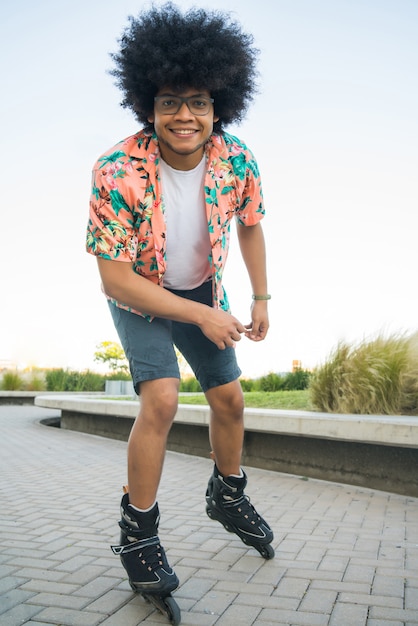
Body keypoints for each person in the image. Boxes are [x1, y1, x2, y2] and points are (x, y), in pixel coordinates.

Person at [86, 2, 274, 599]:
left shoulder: (237, 158)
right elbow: (115, 280)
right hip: (141, 291)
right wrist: (200, 314)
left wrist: (260, 296)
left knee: (231, 401)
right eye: (170, 102)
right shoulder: (115, 170)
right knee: (162, 399)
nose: (185, 116)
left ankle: (228, 491)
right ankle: (138, 534)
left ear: (219, 105)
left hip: (202, 288)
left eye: (198, 102)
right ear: (148, 106)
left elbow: (250, 224)